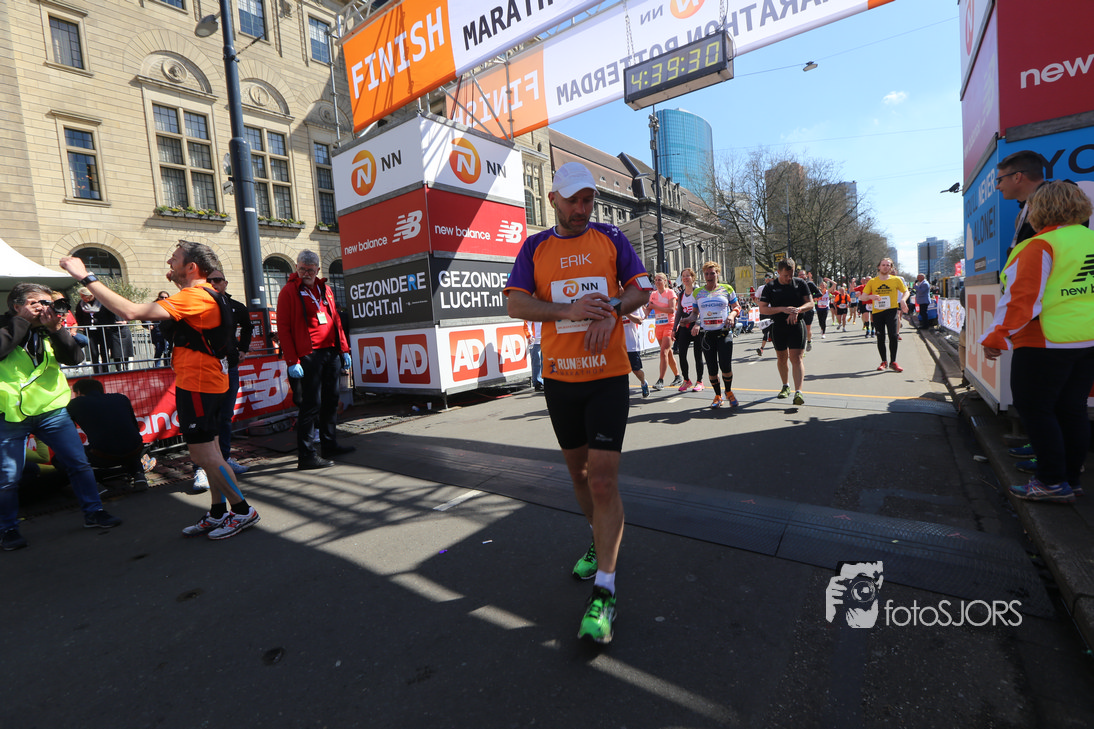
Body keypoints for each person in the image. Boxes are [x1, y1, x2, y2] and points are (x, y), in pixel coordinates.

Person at [504, 161, 653, 645]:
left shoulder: (611, 237)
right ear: (553, 200)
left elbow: (641, 288)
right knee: (580, 476)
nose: (582, 208)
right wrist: (566, 309)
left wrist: (613, 310)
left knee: (604, 481)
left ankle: (605, 593)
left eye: (588, 199)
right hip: (561, 381)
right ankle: (599, 536)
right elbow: (515, 303)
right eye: (573, 200)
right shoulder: (535, 247)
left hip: (607, 378)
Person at [60, 242, 260, 540]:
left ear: (191, 267)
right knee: (212, 454)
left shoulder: (196, 296)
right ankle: (219, 512)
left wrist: (85, 276)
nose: (169, 262)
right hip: (208, 383)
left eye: (174, 259)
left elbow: (130, 311)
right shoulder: (206, 294)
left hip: (199, 385)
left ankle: (242, 510)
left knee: (204, 455)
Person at [981, 182, 1094, 503]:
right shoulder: (1089, 239)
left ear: (1038, 210)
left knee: (1035, 409)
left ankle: (1050, 481)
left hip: (1045, 340)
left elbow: (1021, 299)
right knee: (1073, 409)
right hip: (1087, 340)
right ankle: (1070, 480)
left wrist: (997, 335)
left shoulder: (1039, 245)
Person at [1, 283, 122, 551]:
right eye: (37, 303)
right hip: (10, 415)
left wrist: (57, 330)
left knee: (79, 464)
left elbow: (74, 358)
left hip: (51, 411)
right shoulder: (4, 326)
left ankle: (94, 512)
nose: (45, 308)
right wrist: (22, 321)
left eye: (48, 302)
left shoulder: (50, 328)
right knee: (8, 478)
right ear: (17, 306)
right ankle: (7, 528)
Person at [276, 250, 355, 470]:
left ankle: (329, 444)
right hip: (308, 355)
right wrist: (292, 361)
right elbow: (283, 329)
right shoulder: (289, 292)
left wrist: (344, 349)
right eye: (302, 269)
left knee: (331, 401)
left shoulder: (325, 289)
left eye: (310, 270)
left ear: (317, 270)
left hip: (330, 352)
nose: (306, 273)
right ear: (297, 268)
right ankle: (306, 455)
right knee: (311, 405)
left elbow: (335, 320)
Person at [191, 270, 252, 490]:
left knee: (225, 417)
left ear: (225, 283)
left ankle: (224, 459)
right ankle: (201, 469)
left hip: (229, 367)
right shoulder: (196, 303)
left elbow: (248, 326)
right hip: (204, 370)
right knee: (205, 419)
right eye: (209, 280)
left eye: (217, 280)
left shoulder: (235, 306)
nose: (213, 283)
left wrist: (243, 349)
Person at [66, 378, 147, 491]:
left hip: (103, 456)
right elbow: (135, 427)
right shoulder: (121, 398)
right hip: (135, 450)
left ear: (78, 392)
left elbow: (67, 433)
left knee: (61, 457)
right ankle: (138, 474)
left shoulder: (75, 404)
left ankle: (91, 485)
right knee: (127, 441)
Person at [759, 258, 813, 405]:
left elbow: (810, 303)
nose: (789, 278)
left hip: (796, 325)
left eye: (791, 274)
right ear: (778, 272)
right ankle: (785, 386)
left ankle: (798, 392)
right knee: (782, 358)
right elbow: (762, 308)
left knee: (796, 358)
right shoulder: (770, 286)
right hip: (778, 326)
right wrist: (782, 309)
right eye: (785, 275)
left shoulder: (800, 283)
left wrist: (797, 310)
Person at [689, 261, 741, 409]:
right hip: (707, 335)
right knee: (712, 368)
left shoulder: (727, 289)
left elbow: (737, 307)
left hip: (724, 333)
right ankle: (718, 395)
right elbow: (694, 313)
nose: (709, 276)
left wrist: (731, 315)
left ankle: (728, 392)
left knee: (725, 366)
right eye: (706, 274)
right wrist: (689, 320)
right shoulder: (697, 293)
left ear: (718, 274)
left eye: (712, 273)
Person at [861, 258, 909, 372]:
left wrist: (903, 300)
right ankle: (883, 361)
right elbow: (863, 297)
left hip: (891, 311)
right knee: (880, 337)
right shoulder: (872, 281)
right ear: (879, 267)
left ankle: (893, 362)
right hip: (877, 312)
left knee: (893, 335)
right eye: (883, 265)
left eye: (888, 265)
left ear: (891, 268)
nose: (885, 267)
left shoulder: (896, 280)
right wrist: (871, 297)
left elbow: (906, 291)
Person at [74, 285, 123, 373]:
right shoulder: (81, 304)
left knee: (104, 352)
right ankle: (96, 371)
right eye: (81, 296)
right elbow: (78, 315)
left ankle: (105, 371)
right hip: (90, 331)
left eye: (84, 296)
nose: (82, 298)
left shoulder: (103, 302)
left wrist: (109, 325)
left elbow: (111, 314)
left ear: (90, 295)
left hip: (104, 330)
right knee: (94, 352)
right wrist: (82, 326)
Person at [672, 268, 704, 392]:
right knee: (682, 354)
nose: (685, 278)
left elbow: (702, 309)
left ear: (693, 278)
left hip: (696, 325)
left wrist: (698, 323)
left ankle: (699, 381)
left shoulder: (698, 291)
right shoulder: (681, 294)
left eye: (688, 276)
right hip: (685, 325)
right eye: (683, 276)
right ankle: (686, 380)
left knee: (697, 355)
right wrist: (674, 328)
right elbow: (679, 312)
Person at [648, 273, 681, 391]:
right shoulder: (653, 294)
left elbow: (671, 310)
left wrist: (655, 306)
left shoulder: (670, 292)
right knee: (668, 352)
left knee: (663, 352)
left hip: (670, 325)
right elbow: (649, 308)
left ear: (665, 281)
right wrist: (641, 317)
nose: (657, 282)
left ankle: (660, 380)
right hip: (658, 326)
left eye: (660, 280)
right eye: (656, 280)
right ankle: (678, 376)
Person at [623, 305, 649, 398]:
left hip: (631, 345)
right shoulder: (613, 303)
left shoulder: (633, 303)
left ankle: (643, 382)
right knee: (620, 372)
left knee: (636, 370)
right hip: (618, 346)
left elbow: (639, 320)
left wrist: (626, 313)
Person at [149, 290, 173, 366]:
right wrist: (149, 324)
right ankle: (156, 368)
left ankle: (167, 368)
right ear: (158, 297)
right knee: (159, 352)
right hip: (158, 333)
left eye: (166, 297)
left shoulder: (171, 306)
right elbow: (144, 316)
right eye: (162, 297)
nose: (164, 299)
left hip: (168, 333)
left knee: (167, 352)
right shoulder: (153, 306)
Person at [754, 274, 773, 357]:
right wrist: (761, 305)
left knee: (774, 331)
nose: (767, 279)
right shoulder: (761, 288)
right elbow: (755, 299)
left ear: (772, 278)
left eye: (769, 277)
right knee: (765, 332)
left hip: (773, 312)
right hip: (764, 312)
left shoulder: (775, 287)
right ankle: (761, 349)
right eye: (766, 277)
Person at [525, 320, 543, 391]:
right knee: (536, 362)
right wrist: (529, 335)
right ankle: (538, 383)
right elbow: (527, 323)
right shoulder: (530, 313)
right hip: (535, 340)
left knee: (545, 362)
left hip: (545, 339)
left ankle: (545, 381)